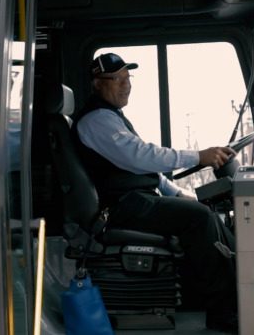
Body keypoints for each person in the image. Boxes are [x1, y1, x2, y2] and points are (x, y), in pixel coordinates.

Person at [72, 52, 239, 333]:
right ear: (98, 84)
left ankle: (235, 293)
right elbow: (140, 157)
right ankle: (224, 311)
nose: (126, 85)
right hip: (123, 205)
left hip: (137, 199)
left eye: (128, 78)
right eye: (118, 79)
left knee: (204, 211)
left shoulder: (111, 117)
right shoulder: (97, 121)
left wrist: (178, 194)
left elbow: (146, 171)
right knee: (199, 218)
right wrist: (198, 156)